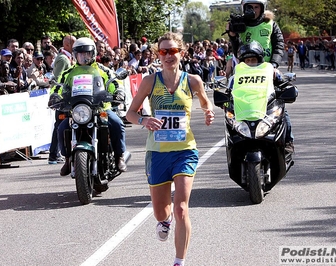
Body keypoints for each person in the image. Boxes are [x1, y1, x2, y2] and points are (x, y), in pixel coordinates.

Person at [125, 32, 214, 266]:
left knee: (182, 209)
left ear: (181, 53)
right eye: (163, 51)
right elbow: (130, 113)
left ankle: (179, 262)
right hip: (157, 153)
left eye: (172, 51)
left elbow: (206, 102)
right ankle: (163, 222)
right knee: (161, 212)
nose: (168, 55)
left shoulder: (193, 80)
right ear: (158, 55)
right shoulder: (149, 82)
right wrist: (144, 120)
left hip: (185, 150)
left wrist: (208, 112)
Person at [50, 37, 127, 175]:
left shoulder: (103, 69)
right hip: (77, 110)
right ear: (75, 55)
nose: (84, 57)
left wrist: (118, 92)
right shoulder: (68, 73)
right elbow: (58, 86)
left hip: (100, 108)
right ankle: (67, 159)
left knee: (117, 124)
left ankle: (119, 156)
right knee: (61, 128)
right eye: (80, 54)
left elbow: (114, 82)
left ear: (93, 53)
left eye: (87, 54)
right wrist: (54, 96)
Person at [230, 41, 294, 159]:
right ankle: (233, 152)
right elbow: (228, 92)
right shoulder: (235, 76)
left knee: (284, 115)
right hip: (243, 111)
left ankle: (287, 144)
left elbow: (284, 80)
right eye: (247, 61)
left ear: (259, 60)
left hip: (266, 109)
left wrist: (284, 80)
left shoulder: (270, 71)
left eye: (253, 60)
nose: (250, 63)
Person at [227, 0, 284, 69]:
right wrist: (232, 36)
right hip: (246, 69)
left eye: (256, 7)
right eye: (250, 7)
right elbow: (237, 52)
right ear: (244, 8)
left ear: (262, 8)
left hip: (267, 69)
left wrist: (274, 64)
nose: (253, 10)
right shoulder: (239, 25)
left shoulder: (270, 24)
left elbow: (279, 46)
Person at [47, 35, 76, 165]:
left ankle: (57, 153)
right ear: (68, 45)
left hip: (67, 97)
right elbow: (57, 79)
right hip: (62, 98)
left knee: (61, 125)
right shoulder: (63, 59)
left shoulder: (68, 57)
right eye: (74, 44)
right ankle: (54, 154)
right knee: (59, 126)